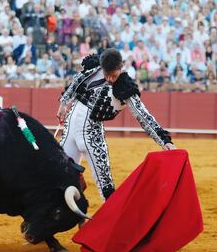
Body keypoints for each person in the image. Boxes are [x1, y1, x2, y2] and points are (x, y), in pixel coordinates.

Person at [57, 49, 176, 201]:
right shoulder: (94, 67)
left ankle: (114, 222)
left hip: (92, 134)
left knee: (106, 188)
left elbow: (142, 115)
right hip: (70, 126)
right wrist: (63, 103)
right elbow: (76, 82)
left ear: (121, 68)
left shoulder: (125, 86)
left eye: (113, 75)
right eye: (107, 74)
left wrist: (164, 141)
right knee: (60, 174)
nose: (109, 79)